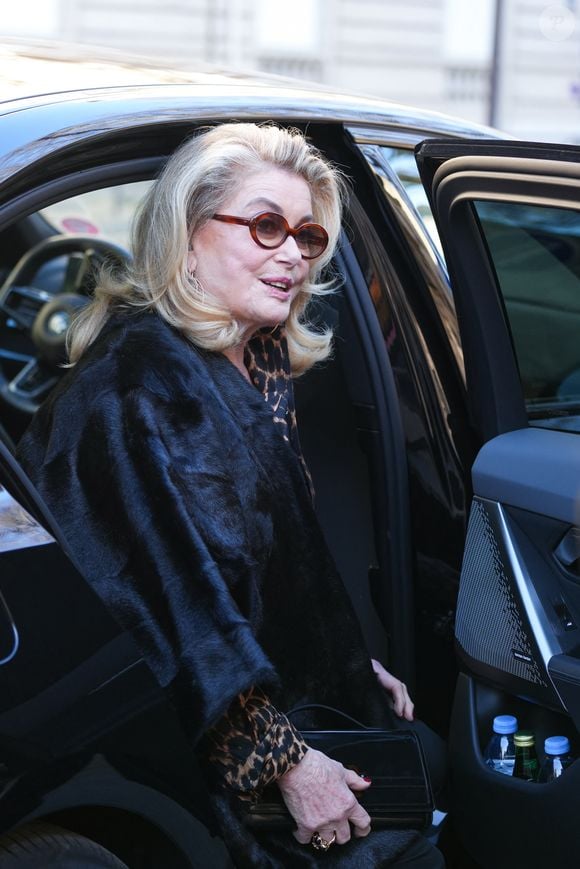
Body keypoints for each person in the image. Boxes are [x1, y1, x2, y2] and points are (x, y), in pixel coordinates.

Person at [17, 123, 445, 868]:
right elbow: (177, 614)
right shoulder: (134, 392)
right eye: (267, 225)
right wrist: (287, 763)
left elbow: (273, 566)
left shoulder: (255, 358)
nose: (294, 254)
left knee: (440, 768)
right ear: (186, 236)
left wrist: (342, 658)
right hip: (208, 750)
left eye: (307, 235)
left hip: (296, 699)